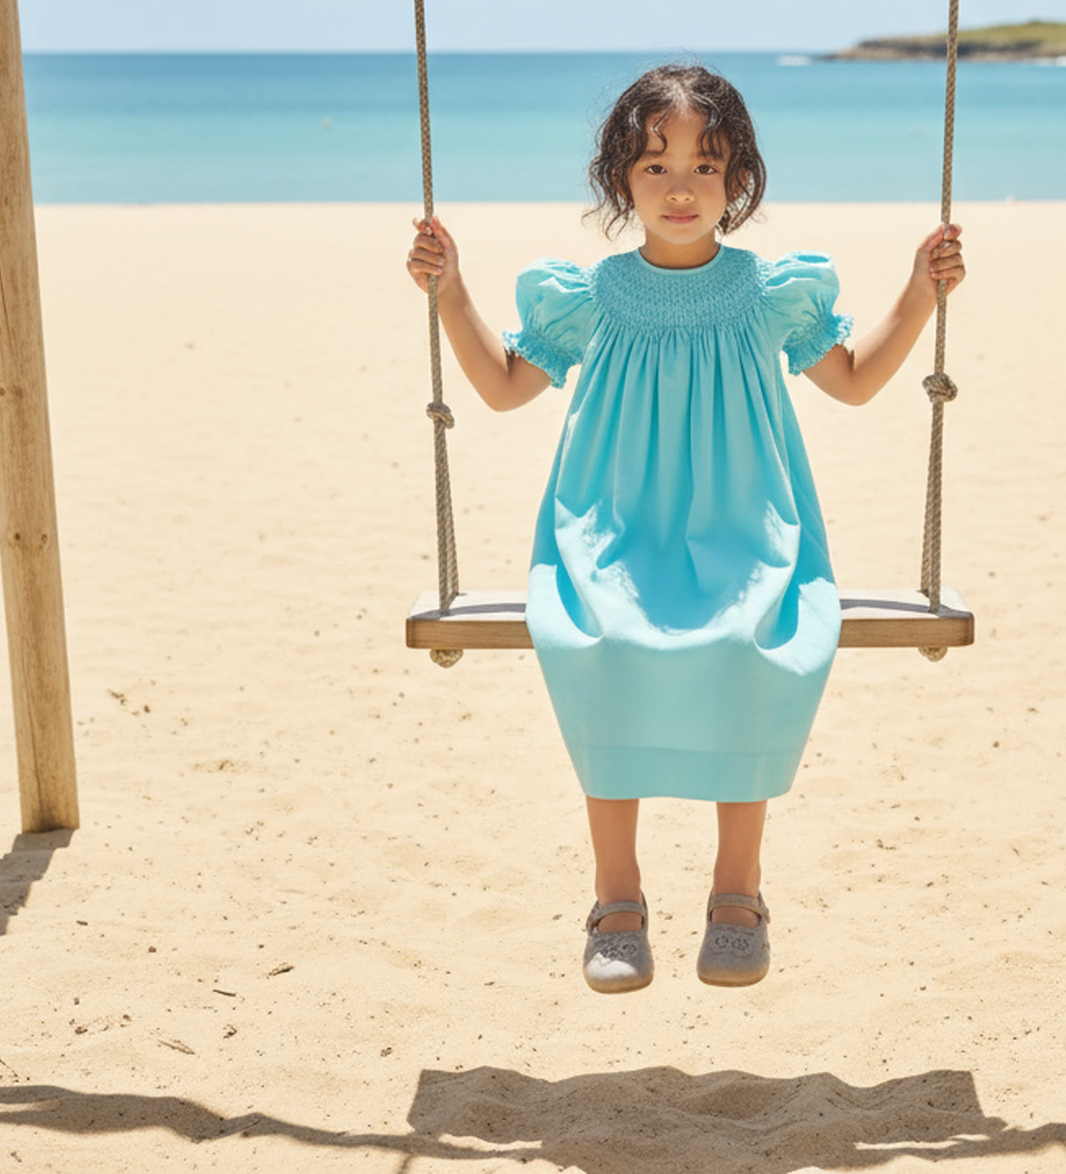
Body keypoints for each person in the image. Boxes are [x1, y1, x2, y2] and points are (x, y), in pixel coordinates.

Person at [405, 63, 965, 995]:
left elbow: (857, 379)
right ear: (619, 177)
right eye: (654, 163)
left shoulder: (770, 294)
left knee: (751, 648)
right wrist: (450, 291)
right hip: (614, 529)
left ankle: (736, 891)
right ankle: (616, 894)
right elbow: (504, 387)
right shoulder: (587, 298)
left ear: (737, 182)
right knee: (605, 643)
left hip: (747, 528)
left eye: (704, 167)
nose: (679, 187)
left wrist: (920, 293)